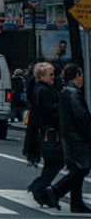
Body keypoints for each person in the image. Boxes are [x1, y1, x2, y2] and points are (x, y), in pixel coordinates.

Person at [47, 63, 91, 213]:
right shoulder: (73, 93)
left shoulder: (65, 91)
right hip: (77, 139)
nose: (83, 79)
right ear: (77, 76)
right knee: (83, 168)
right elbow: (82, 118)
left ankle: (77, 203)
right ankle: (55, 191)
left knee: (77, 168)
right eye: (81, 76)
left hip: (69, 137)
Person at [23, 61, 65, 208]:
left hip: (46, 133)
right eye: (51, 74)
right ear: (42, 75)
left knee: (51, 164)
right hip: (51, 133)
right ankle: (38, 188)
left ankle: (42, 193)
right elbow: (52, 113)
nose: (53, 77)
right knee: (58, 162)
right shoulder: (45, 91)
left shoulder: (40, 89)